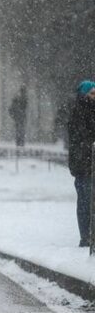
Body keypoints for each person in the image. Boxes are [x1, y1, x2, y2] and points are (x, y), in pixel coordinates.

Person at [67, 80, 95, 247]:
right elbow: (80, 139)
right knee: (85, 201)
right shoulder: (78, 112)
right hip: (83, 164)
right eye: (92, 93)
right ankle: (86, 237)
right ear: (84, 94)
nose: (94, 97)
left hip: (89, 162)